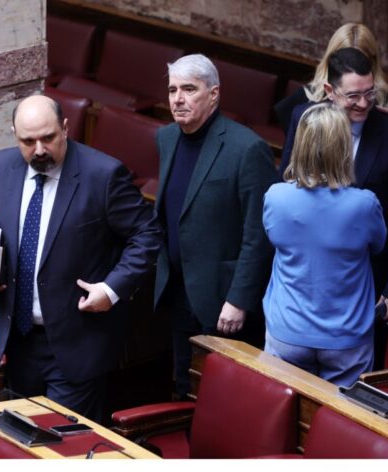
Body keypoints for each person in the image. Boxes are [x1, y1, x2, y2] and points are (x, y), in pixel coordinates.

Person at [0, 94, 161, 422]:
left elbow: (148, 234)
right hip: (19, 341)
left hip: (77, 343)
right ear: (14, 135)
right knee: (19, 439)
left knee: (61, 442)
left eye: (48, 138)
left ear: (65, 128)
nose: (39, 150)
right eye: (28, 141)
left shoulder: (103, 174)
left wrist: (111, 289)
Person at [154, 54, 277, 399]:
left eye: (189, 89)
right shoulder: (166, 138)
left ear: (214, 94)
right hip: (179, 290)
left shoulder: (247, 148)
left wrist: (239, 299)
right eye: (172, 90)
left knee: (226, 398)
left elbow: (258, 235)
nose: (178, 99)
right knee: (183, 388)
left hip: (223, 302)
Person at [278, 48, 388, 369]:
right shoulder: (306, 119)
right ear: (329, 91)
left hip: (368, 284)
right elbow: (288, 182)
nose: (363, 103)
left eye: (370, 93)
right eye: (353, 96)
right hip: (306, 281)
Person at [263, 103, 386, 386]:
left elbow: (273, 238)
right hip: (346, 336)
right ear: (344, 148)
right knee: (340, 413)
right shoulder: (364, 204)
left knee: (281, 408)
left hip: (288, 329)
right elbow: (377, 245)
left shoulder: (275, 197)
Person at [274, 22, 388, 132]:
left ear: (373, 63)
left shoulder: (386, 102)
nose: (362, 104)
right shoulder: (304, 102)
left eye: (361, 61)